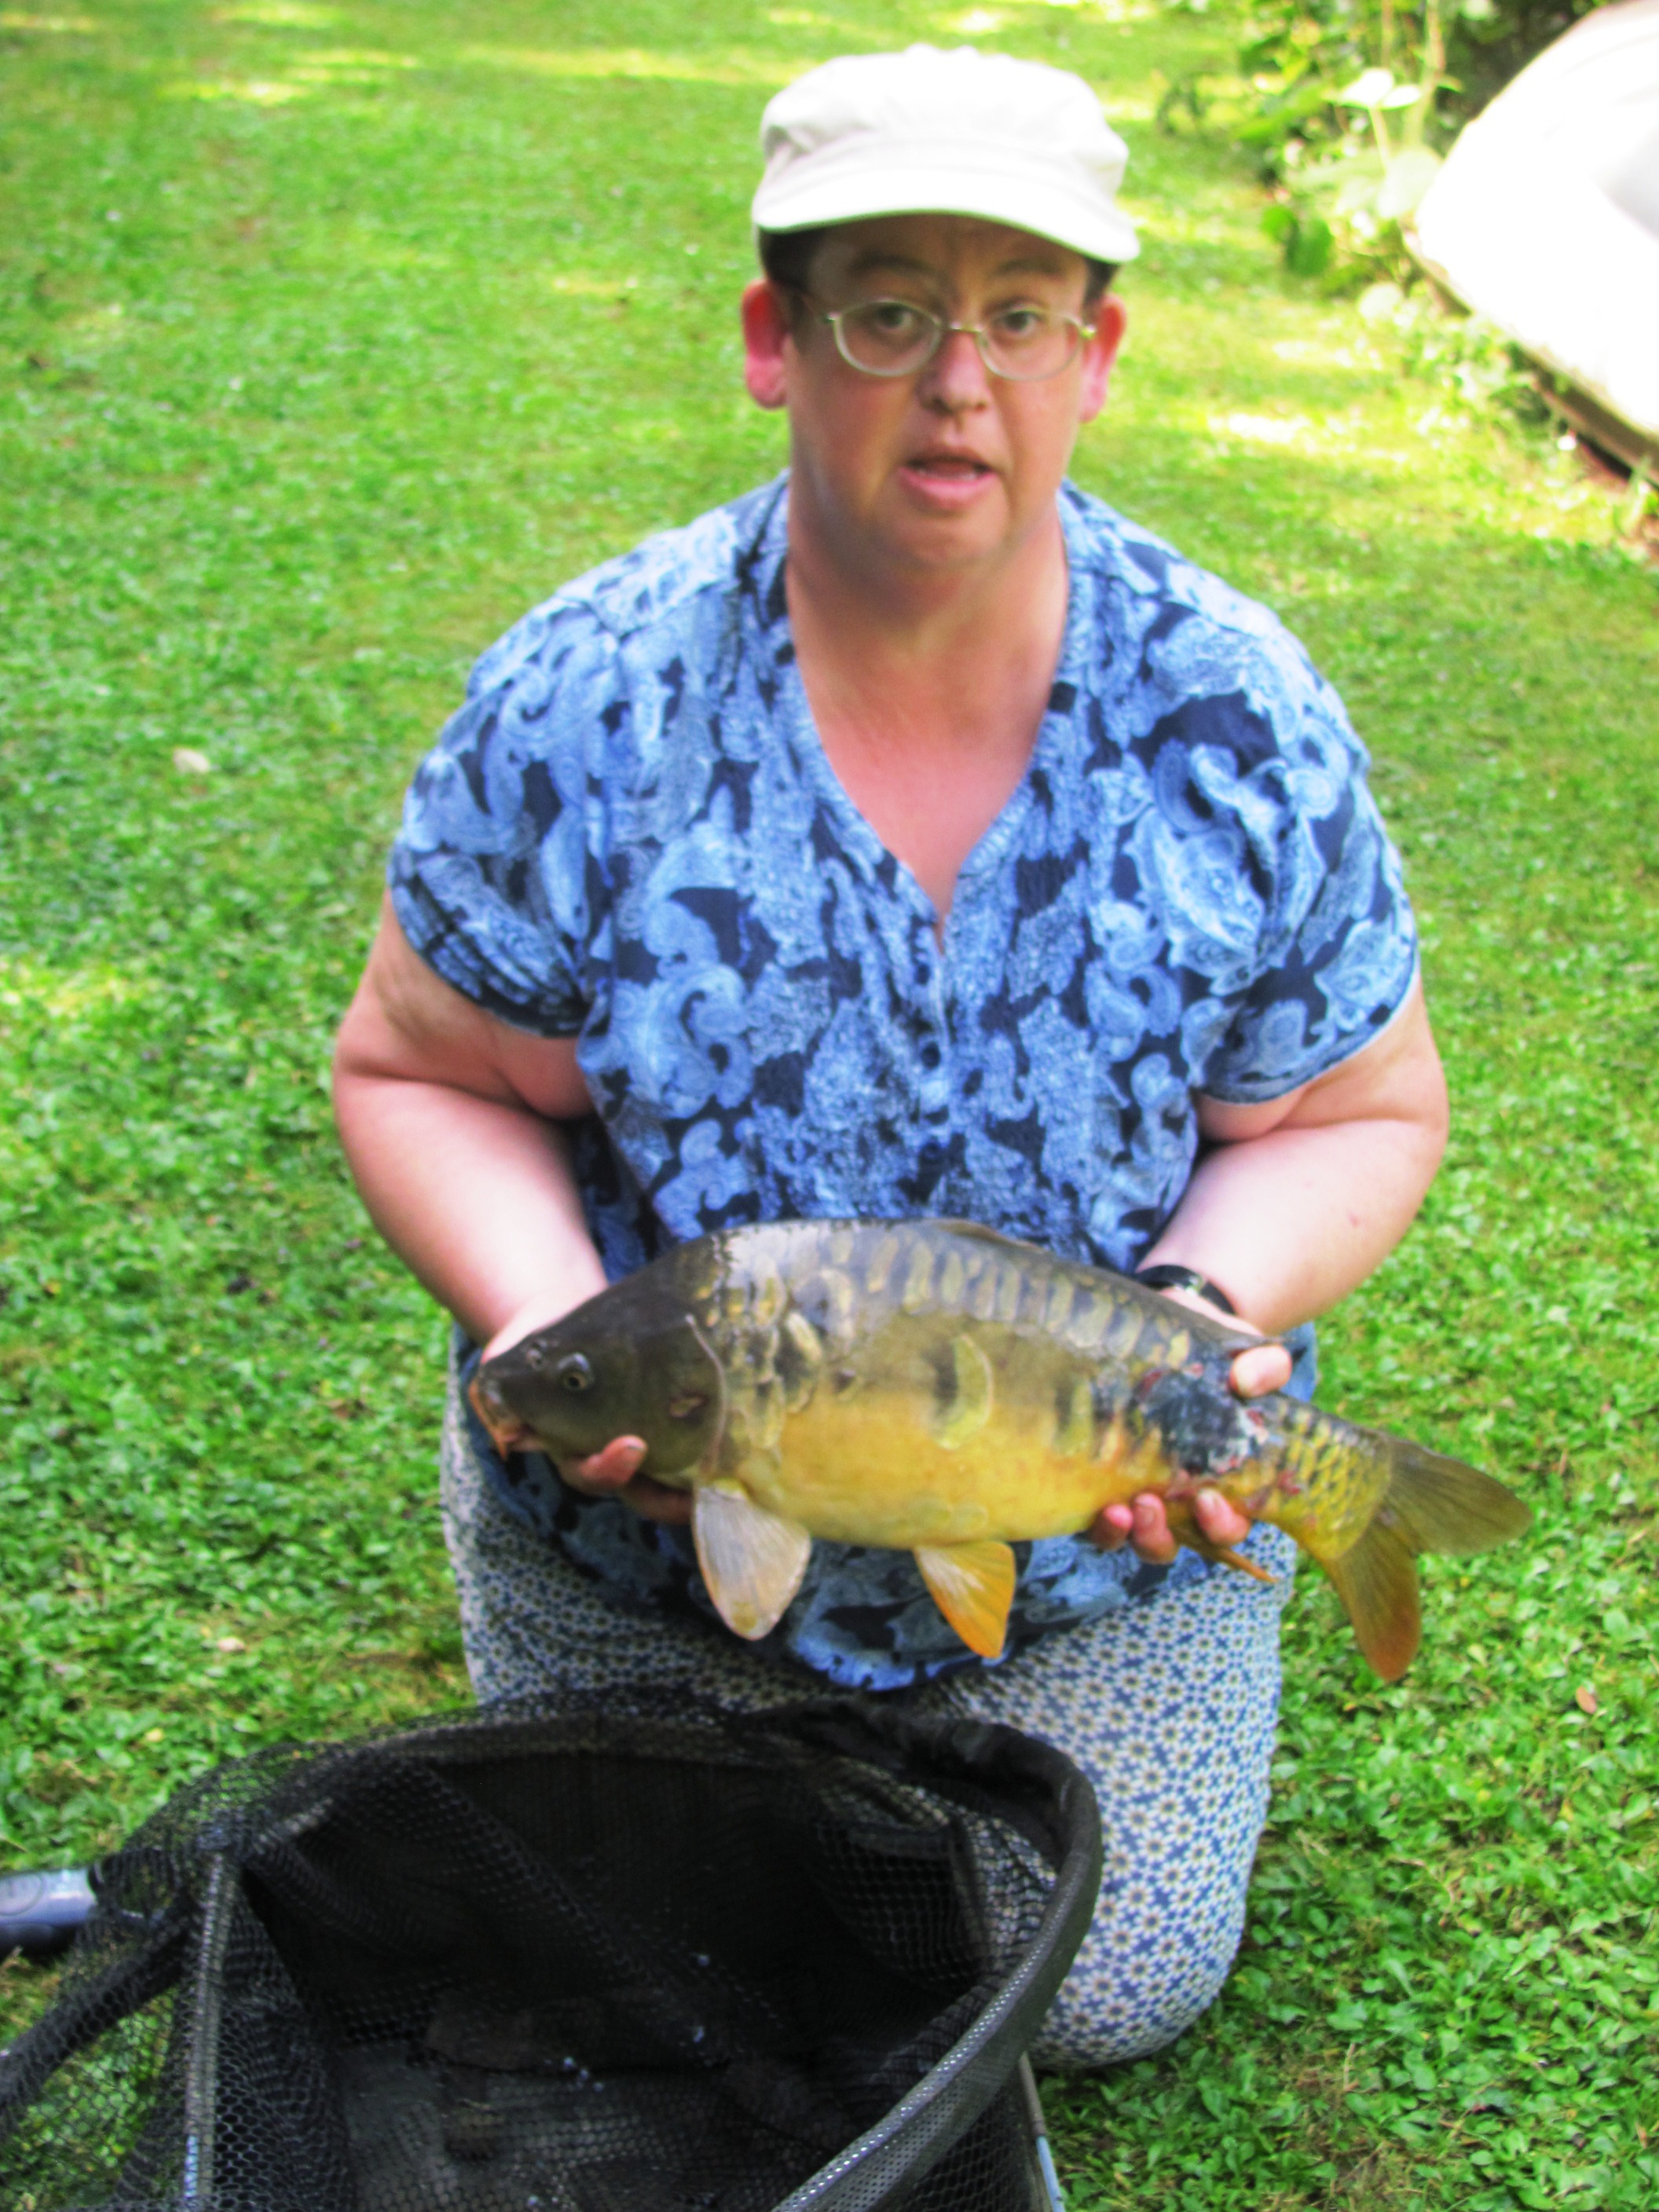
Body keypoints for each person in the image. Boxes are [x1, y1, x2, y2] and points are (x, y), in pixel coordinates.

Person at [331, 46, 1447, 2067]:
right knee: (631, 1964)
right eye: (890, 310)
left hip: (1090, 1534)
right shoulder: (588, 699)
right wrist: (545, 1319)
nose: (961, 378)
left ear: (1096, 355)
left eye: (1020, 314)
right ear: (778, 339)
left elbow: (1361, 1110)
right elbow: (416, 1070)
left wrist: (1199, 1315)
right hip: (659, 1521)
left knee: (1094, 1989)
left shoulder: (1237, 713)